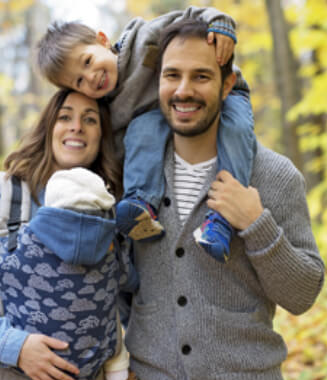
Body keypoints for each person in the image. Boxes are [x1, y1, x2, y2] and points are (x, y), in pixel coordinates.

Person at [120, 18, 325, 380]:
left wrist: (255, 224)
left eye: (201, 76)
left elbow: (303, 295)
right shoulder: (133, 175)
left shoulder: (275, 175)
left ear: (228, 85)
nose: (183, 91)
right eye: (172, 75)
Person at [0, 89, 139, 380]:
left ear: (102, 137)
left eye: (90, 120)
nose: (76, 126)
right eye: (65, 117)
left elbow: (127, 294)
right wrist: (15, 347)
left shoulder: (114, 210)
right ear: (48, 128)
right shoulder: (0, 198)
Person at [36, 6, 256, 263]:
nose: (91, 77)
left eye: (87, 62)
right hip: (168, 115)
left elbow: (190, 16)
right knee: (141, 129)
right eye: (79, 82)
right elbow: (120, 148)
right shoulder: (111, 108)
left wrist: (219, 25)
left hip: (220, 96)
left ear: (103, 40)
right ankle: (141, 203)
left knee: (235, 131)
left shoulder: (144, 39)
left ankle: (222, 219)